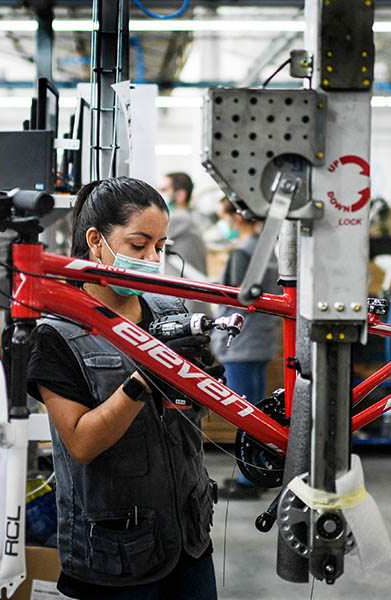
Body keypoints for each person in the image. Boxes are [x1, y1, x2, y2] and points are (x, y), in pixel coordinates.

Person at [27, 177, 218, 600]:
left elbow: (193, 413)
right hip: (116, 553)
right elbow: (81, 442)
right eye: (138, 245)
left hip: (188, 538)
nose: (152, 258)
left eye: (161, 246)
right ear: (96, 240)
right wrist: (146, 376)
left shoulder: (170, 310)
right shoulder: (59, 333)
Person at [210, 199, 281, 500]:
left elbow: (236, 296)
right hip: (262, 340)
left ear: (238, 216)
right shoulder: (270, 253)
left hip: (242, 341)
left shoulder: (243, 252)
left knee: (244, 414)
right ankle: (257, 471)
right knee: (258, 413)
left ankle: (246, 479)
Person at [158, 172, 208, 277]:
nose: (159, 193)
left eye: (164, 189)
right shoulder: (188, 216)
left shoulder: (180, 218)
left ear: (180, 195)